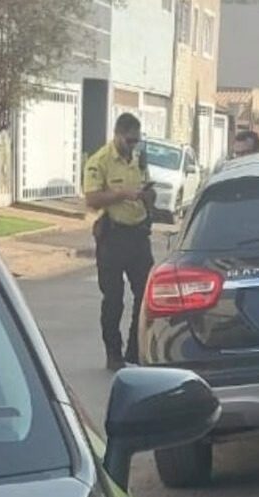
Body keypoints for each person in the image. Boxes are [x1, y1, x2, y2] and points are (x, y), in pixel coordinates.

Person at [84, 113, 156, 371]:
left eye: (136, 141)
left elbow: (146, 187)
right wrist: (122, 194)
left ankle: (134, 351)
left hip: (138, 235)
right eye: (129, 140)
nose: (133, 145)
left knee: (145, 296)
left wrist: (149, 197)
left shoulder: (138, 158)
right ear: (117, 135)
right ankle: (113, 354)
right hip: (113, 237)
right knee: (113, 298)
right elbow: (91, 199)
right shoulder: (100, 161)